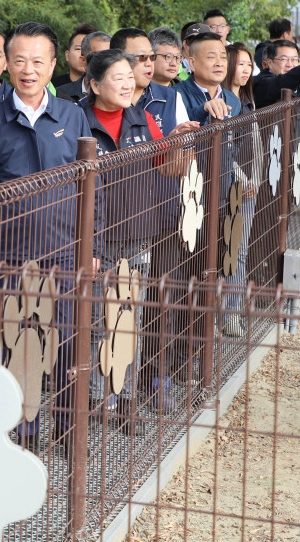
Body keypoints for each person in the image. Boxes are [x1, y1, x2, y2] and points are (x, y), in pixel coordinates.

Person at [0, 22, 93, 452]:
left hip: (65, 248)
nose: (27, 69)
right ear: (5, 63)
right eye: (18, 60)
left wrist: (89, 246)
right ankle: (23, 431)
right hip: (10, 252)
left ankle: (68, 429)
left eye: (38, 61)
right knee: (16, 343)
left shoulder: (73, 115)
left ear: (53, 65)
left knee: (68, 340)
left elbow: (89, 188)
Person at [80, 49, 193, 434]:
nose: (128, 83)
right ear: (94, 85)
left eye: (130, 76)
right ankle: (99, 400)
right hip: (95, 237)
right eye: (118, 77)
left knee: (131, 318)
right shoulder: (78, 119)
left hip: (137, 232)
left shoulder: (141, 117)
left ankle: (126, 401)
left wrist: (175, 141)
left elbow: (165, 164)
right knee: (97, 321)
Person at [220, 43, 263, 337]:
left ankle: (231, 315)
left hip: (248, 189)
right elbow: (225, 150)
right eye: (241, 63)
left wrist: (255, 180)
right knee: (221, 251)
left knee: (240, 251)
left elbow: (256, 148)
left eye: (250, 64)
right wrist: (242, 178)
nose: (246, 70)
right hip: (227, 186)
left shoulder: (249, 103)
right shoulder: (223, 102)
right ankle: (216, 315)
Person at [110, 28, 191, 135]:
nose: (149, 63)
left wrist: (172, 145)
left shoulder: (172, 98)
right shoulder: (105, 100)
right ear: (117, 59)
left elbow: (188, 150)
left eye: (152, 57)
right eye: (142, 57)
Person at [175, 31, 242, 123]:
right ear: (192, 63)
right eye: (211, 57)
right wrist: (203, 110)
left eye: (223, 57)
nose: (219, 63)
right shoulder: (175, 96)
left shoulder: (233, 101)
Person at [56, 30, 111, 103]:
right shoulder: (61, 95)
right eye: (98, 57)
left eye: (109, 58)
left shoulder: (120, 94)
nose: (105, 63)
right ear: (83, 61)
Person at [52, 23, 98, 89]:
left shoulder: (104, 88)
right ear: (67, 55)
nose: (84, 54)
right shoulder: (52, 87)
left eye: (89, 49)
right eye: (78, 48)